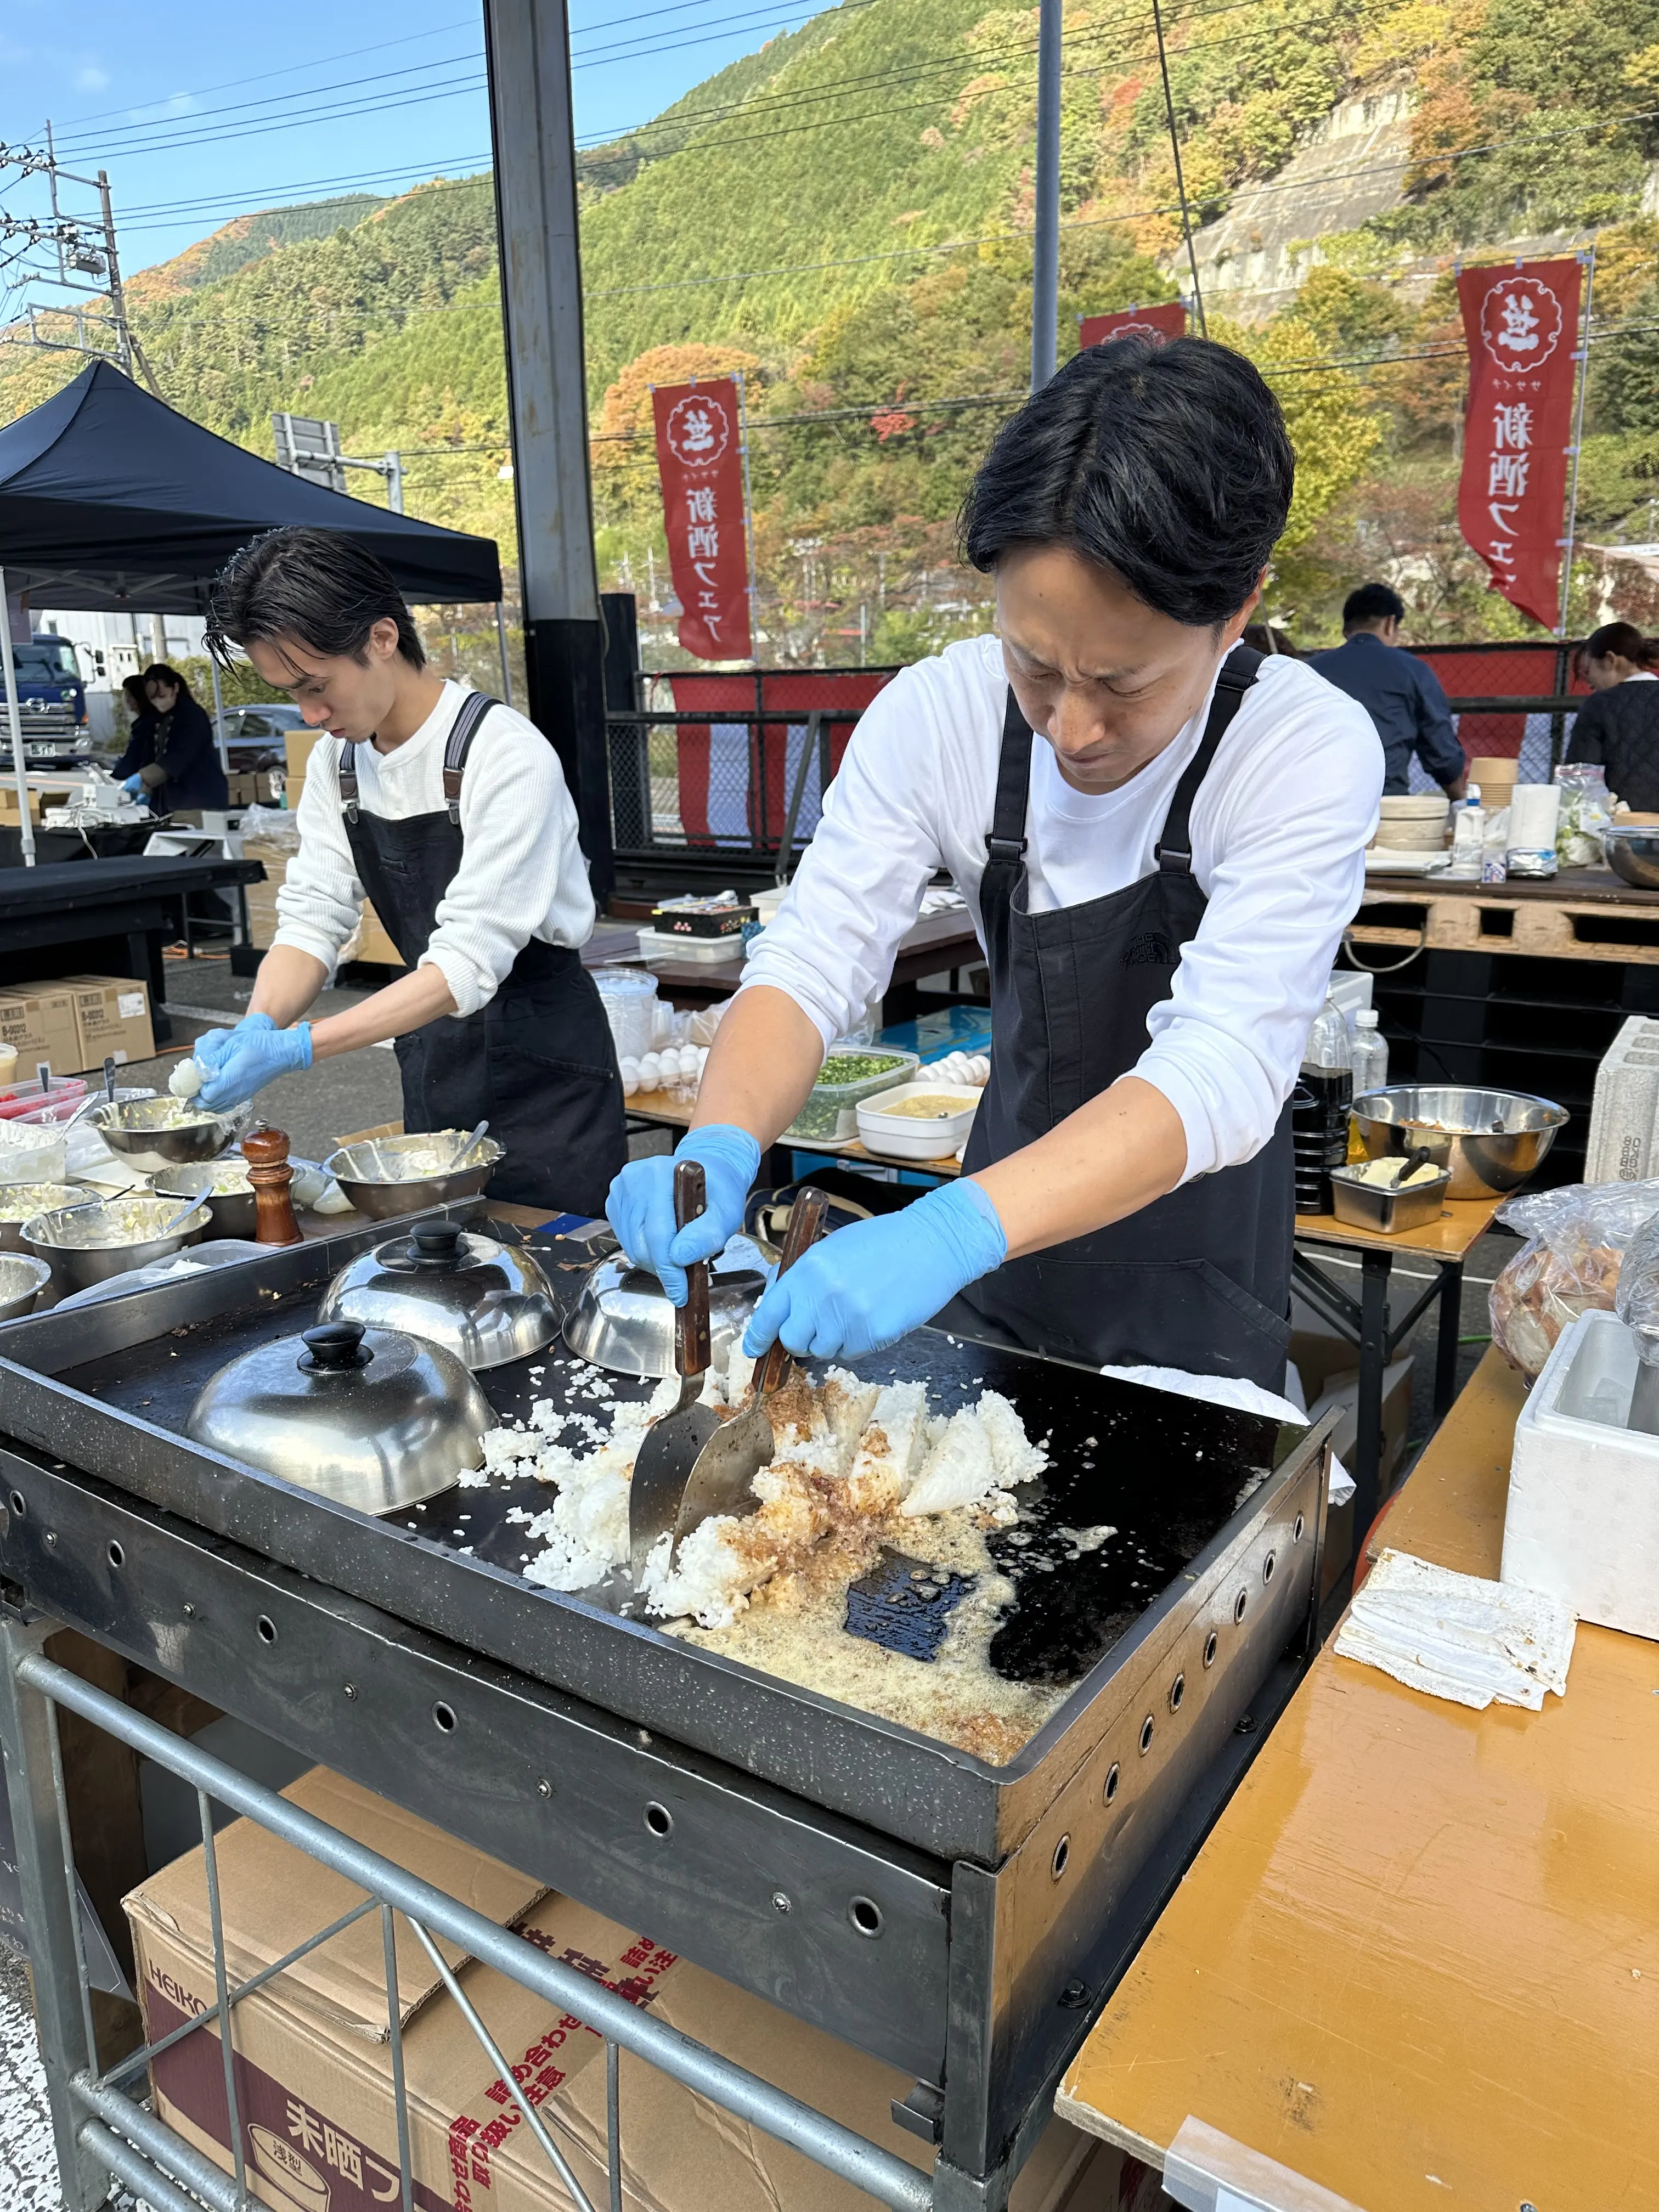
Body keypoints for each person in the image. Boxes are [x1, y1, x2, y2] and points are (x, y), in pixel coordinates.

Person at [608, 337, 1383, 1385]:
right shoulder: (936, 715)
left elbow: (1224, 1064)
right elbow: (807, 963)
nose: (1071, 727)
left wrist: (947, 1229)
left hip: (1190, 1291)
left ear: (1234, 608)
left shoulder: (1298, 746)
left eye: (1122, 682)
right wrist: (718, 1139)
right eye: (1032, 663)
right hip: (994, 1287)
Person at [189, 527, 626, 1216]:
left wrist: (301, 1047)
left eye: (316, 686)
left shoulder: (503, 754)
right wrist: (260, 1025)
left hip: (548, 1067)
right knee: (448, 1263)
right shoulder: (341, 763)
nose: (309, 714)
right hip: (436, 1051)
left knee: (561, 1269)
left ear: (383, 639)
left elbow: (465, 963)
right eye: (289, 692)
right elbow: (313, 916)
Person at [1309, 584, 1466, 799]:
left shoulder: (1310, 671)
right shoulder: (1413, 671)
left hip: (1314, 803)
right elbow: (1441, 749)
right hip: (1385, 803)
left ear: (1347, 629)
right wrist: (1459, 800)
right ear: (1390, 623)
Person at [1564, 620, 1659, 811]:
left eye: (1588, 670)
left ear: (1610, 660)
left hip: (1621, 826)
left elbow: (1578, 781)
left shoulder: (1599, 704)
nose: (1589, 682)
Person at [111, 663, 229, 811]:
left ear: (176, 688)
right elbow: (153, 754)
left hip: (200, 797)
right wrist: (146, 788)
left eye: (162, 696)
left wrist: (143, 778)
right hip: (173, 801)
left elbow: (180, 755)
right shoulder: (159, 717)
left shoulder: (192, 715)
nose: (158, 702)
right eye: (153, 699)